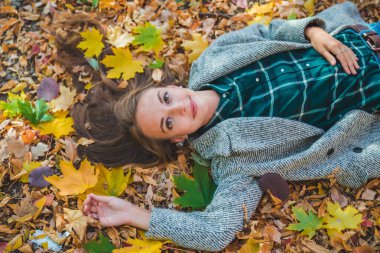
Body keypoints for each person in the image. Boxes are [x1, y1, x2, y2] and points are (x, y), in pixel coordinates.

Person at [55, 2, 380, 251]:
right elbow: (215, 230)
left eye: (167, 97)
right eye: (169, 121)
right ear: (178, 137)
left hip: (363, 34)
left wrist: (313, 32)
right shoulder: (233, 161)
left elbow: (269, 32)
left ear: (169, 86)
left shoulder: (212, 60)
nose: (181, 106)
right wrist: (137, 215)